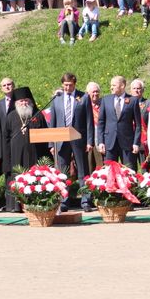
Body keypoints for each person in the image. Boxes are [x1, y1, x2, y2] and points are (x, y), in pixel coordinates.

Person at [48, 73, 94, 211]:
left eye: (70, 85)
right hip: (61, 140)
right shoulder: (56, 99)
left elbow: (89, 121)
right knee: (62, 171)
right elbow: (53, 122)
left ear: (75, 84)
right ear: (62, 85)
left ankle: (86, 200)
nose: (67, 88)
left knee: (82, 170)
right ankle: (64, 200)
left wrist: (90, 141)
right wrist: (51, 143)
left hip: (78, 139)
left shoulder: (83, 97)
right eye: (65, 85)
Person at [3, 86, 50, 210]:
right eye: (21, 101)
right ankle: (16, 206)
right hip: (16, 156)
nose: (24, 103)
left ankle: (36, 201)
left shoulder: (38, 115)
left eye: (26, 101)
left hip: (35, 154)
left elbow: (45, 136)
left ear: (31, 102)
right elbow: (6, 139)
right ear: (16, 103)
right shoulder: (11, 116)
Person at [97, 75, 142, 169]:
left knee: (129, 171)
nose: (111, 87)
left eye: (114, 85)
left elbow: (138, 125)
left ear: (122, 86)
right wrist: (101, 142)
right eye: (111, 85)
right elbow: (101, 122)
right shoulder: (106, 100)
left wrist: (136, 143)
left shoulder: (133, 101)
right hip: (109, 143)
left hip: (127, 143)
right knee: (108, 171)